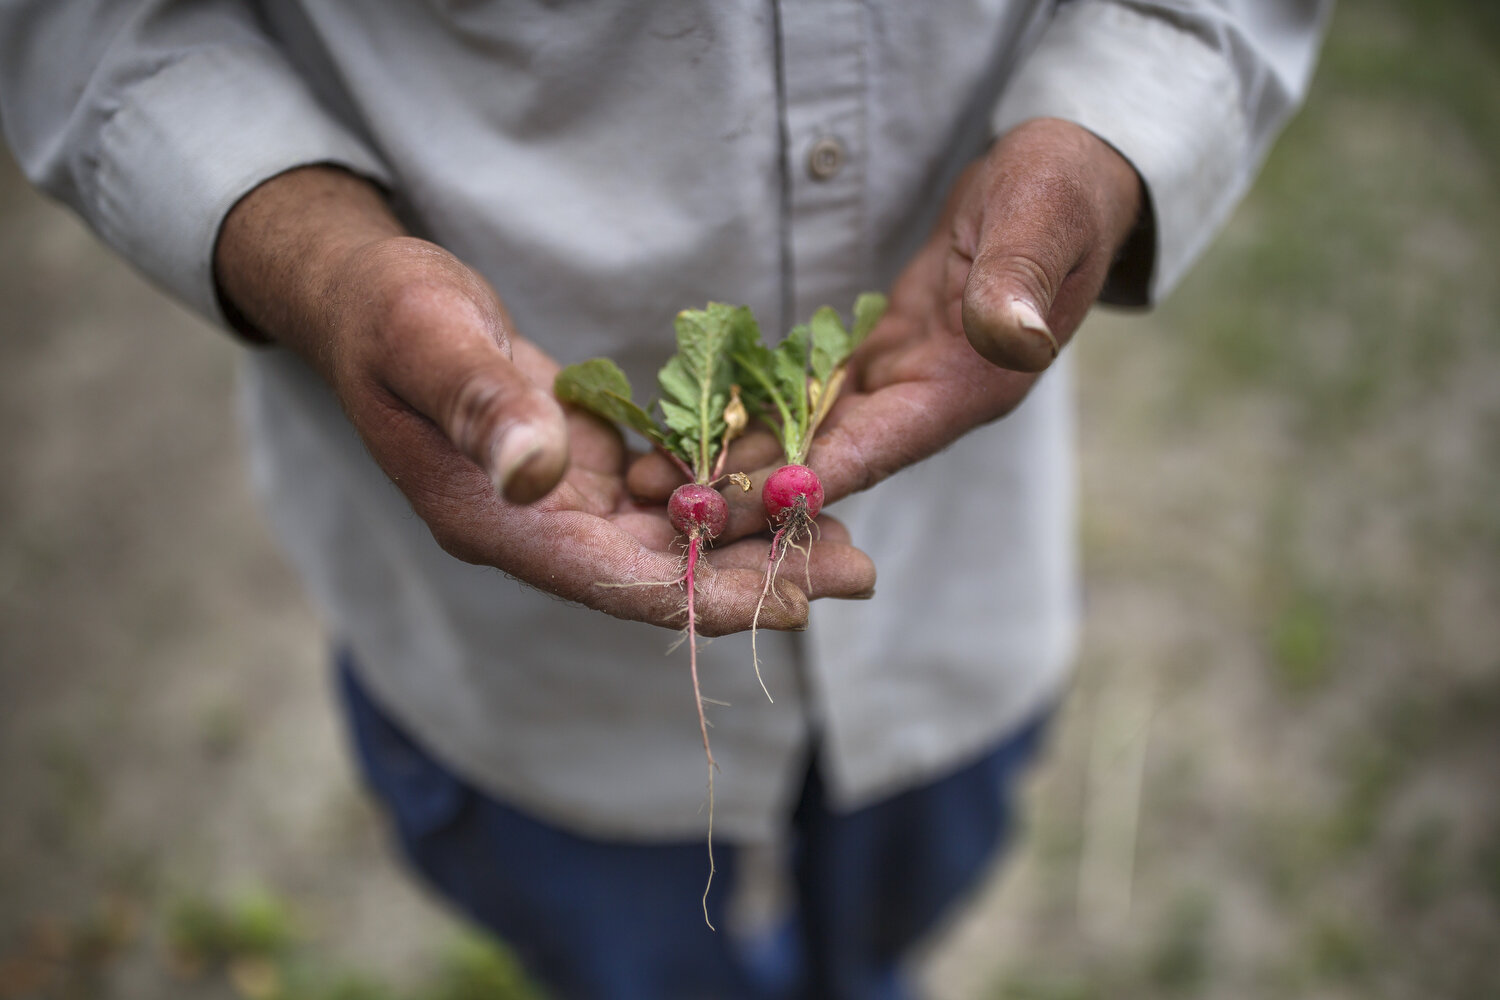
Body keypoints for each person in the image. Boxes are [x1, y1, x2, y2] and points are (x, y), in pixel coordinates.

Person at [0, 2, 1329, 997]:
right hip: (526, 673)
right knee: (615, 957)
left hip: (952, 576)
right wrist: (323, 266)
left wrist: (1112, 127)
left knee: (900, 915)